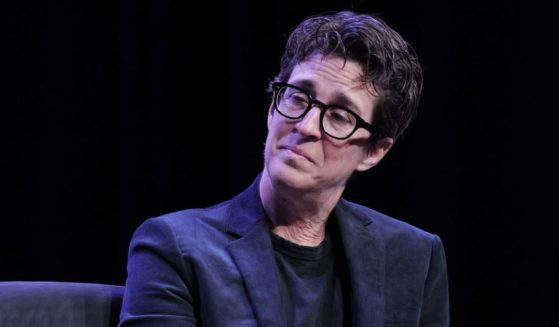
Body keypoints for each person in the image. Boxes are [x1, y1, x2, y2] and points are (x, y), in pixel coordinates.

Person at [119, 10, 449, 327]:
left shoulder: (413, 256)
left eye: (339, 116)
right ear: (271, 109)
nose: (306, 126)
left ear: (374, 151)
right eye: (298, 97)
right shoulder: (175, 248)